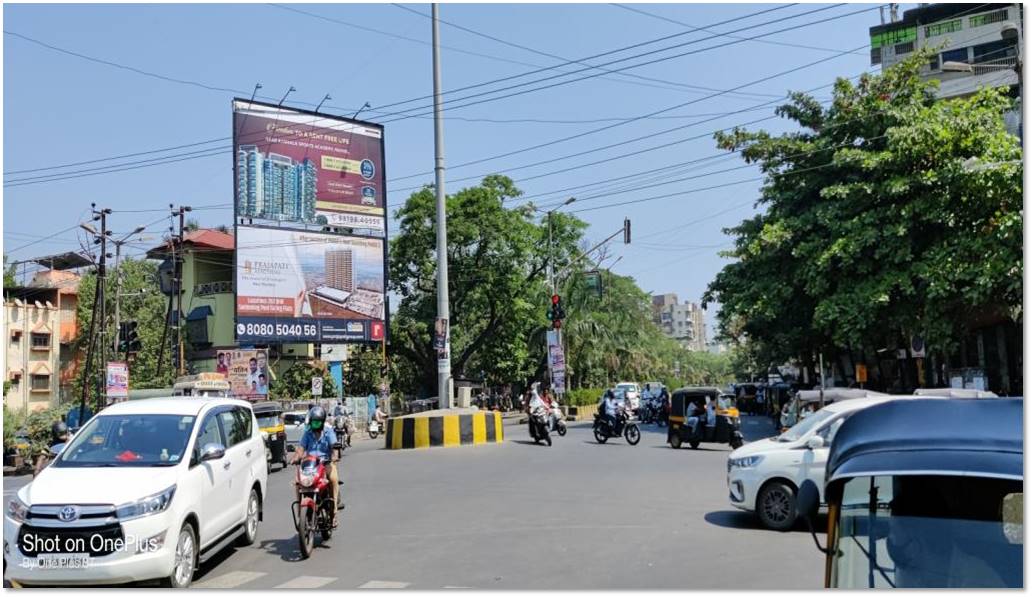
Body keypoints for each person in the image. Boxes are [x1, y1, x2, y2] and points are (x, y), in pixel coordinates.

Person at [295, 406, 340, 527]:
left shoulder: (328, 431)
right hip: (311, 465)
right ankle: (301, 513)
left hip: (326, 463)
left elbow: (334, 445)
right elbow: (301, 448)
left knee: (333, 479)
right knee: (298, 483)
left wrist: (334, 455)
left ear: (321, 422)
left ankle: (334, 512)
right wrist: (296, 457)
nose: (314, 425)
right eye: (313, 422)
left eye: (316, 422)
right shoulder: (307, 433)